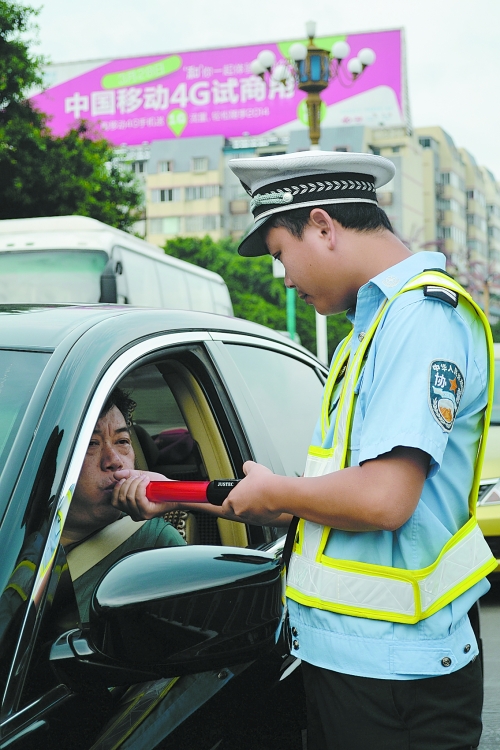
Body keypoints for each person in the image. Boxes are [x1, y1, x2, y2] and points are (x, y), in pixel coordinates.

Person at [112, 151, 496, 750]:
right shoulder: (366, 334)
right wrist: (186, 496)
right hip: (359, 658)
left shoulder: (420, 320)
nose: (283, 277)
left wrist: (279, 492)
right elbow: (324, 503)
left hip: (396, 672)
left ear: (322, 225)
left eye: (278, 254)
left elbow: (385, 499)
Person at [61, 387, 185, 623]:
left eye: (122, 441)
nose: (114, 461)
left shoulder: (155, 544)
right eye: (91, 443)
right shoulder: (14, 536)